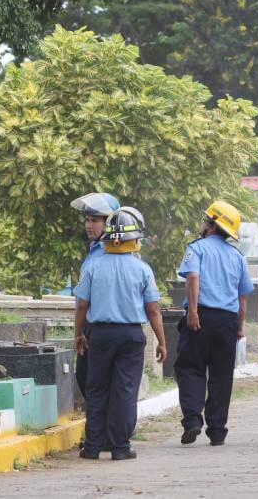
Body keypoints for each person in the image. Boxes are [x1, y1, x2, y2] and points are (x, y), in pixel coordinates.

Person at [73, 207, 167, 460]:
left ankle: (92, 447)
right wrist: (162, 340)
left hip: (100, 336)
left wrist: (79, 334)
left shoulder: (93, 266)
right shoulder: (142, 269)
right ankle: (120, 447)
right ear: (132, 239)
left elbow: (82, 305)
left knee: (97, 389)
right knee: (125, 390)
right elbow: (153, 309)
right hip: (131, 336)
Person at [175, 200, 254, 447]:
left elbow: (193, 278)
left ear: (211, 225)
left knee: (190, 368)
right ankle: (217, 430)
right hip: (227, 321)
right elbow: (242, 297)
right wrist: (240, 327)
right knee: (221, 375)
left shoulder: (196, 249)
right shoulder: (237, 256)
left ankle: (192, 421)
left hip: (200, 317)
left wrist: (193, 312)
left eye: (205, 220)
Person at [70, 192, 121, 401]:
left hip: (101, 325)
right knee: (84, 377)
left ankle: (106, 430)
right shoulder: (94, 250)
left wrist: (78, 331)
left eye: (95, 220)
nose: (89, 225)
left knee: (97, 384)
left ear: (109, 223)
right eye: (87, 220)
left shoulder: (113, 253)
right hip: (89, 326)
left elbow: (84, 302)